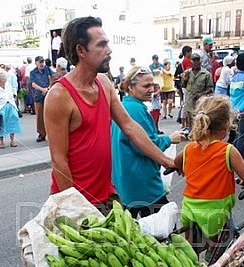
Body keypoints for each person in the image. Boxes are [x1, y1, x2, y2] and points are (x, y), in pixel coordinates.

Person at [43, 16, 176, 214]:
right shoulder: (59, 95)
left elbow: (129, 127)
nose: (109, 50)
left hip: (107, 197)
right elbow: (59, 160)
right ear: (81, 51)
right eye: (101, 44)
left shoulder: (104, 83)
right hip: (76, 202)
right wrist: (75, 211)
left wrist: (167, 161)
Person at [173, 95, 244, 257]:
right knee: (216, 245)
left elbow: (176, 161)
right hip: (215, 210)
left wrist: (181, 166)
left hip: (190, 206)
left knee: (190, 251)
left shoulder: (190, 148)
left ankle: (191, 262)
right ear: (226, 125)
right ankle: (213, 257)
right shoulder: (228, 151)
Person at [111, 66, 183, 218]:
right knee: (163, 229)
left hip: (126, 182)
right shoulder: (136, 110)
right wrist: (170, 139)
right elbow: (146, 145)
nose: (151, 89)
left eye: (153, 85)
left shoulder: (125, 106)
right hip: (142, 183)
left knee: (130, 232)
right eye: (146, 86)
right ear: (130, 87)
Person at [0, 70, 21, 149]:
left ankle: (12, 140)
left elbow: (12, 94)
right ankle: (1, 142)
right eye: (3, 76)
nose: (5, 78)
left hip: (10, 105)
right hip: (0, 107)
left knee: (12, 122)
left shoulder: (8, 85)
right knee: (1, 124)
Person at [182, 53, 213, 128]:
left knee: (200, 125)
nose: (196, 62)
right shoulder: (188, 73)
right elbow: (183, 86)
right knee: (191, 125)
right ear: (191, 62)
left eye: (197, 60)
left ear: (200, 61)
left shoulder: (206, 74)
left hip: (200, 104)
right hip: (190, 103)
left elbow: (210, 89)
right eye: (194, 60)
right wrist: (185, 80)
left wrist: (200, 94)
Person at [29, 55, 53, 142]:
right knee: (39, 115)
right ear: (36, 63)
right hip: (39, 95)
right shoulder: (33, 72)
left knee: (50, 114)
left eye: (43, 62)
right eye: (40, 62)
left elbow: (53, 78)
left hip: (48, 93)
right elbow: (33, 83)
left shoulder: (47, 69)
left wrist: (49, 88)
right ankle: (41, 133)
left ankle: (51, 133)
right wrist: (42, 89)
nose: (42, 64)